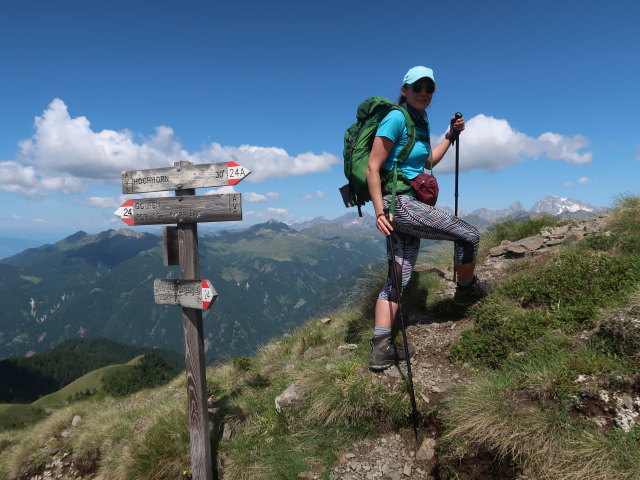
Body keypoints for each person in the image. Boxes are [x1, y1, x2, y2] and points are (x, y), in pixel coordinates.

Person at [366, 65, 494, 371]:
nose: (424, 93)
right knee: (469, 235)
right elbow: (373, 165)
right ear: (405, 90)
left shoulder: (418, 122)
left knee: (400, 276)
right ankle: (466, 291)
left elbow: (427, 162)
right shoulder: (397, 118)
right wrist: (379, 212)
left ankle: (380, 350)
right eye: (417, 88)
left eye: (429, 89)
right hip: (400, 204)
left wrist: (450, 135)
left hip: (401, 206)